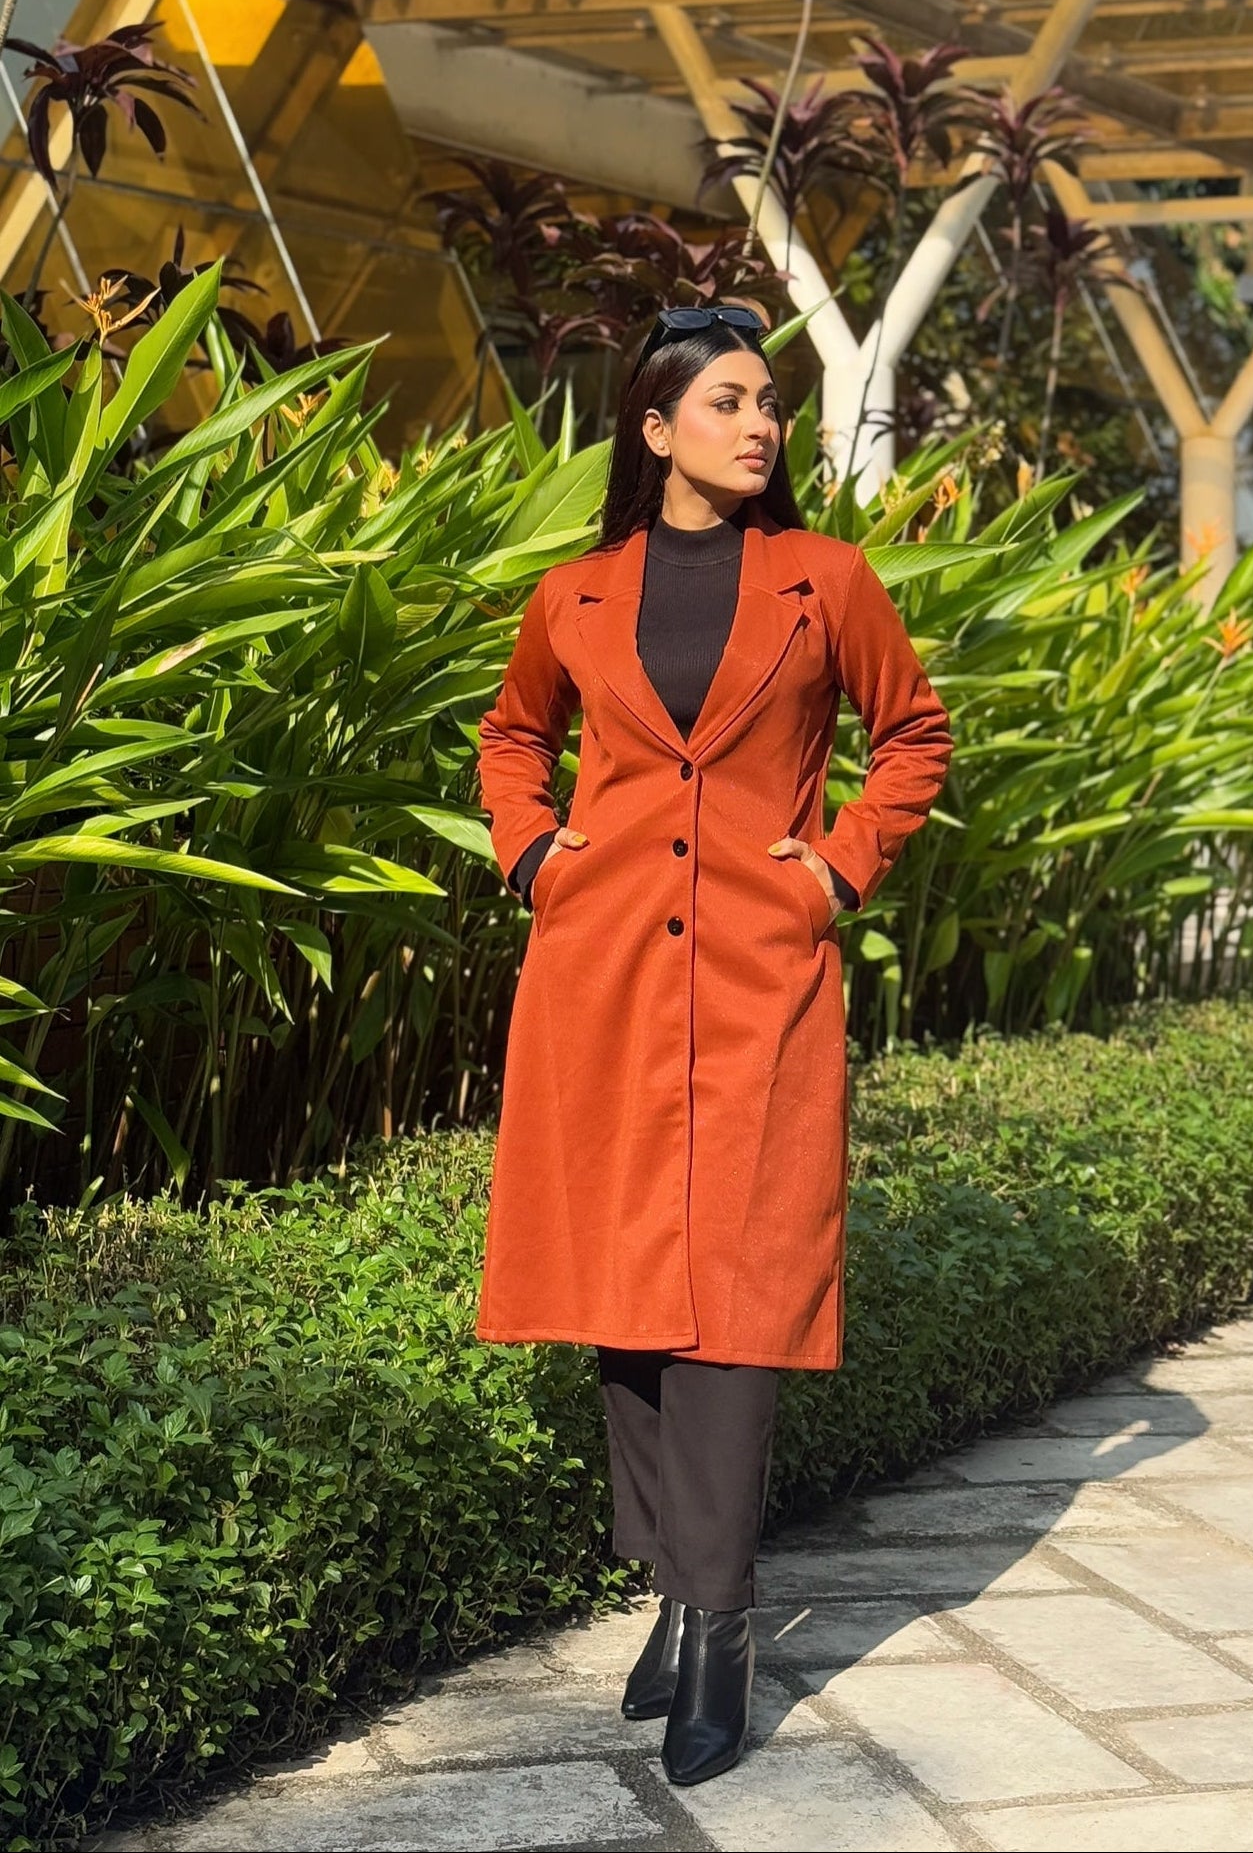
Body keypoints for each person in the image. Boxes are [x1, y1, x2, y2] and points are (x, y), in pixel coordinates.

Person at [475, 302, 952, 1787]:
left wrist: (834, 867)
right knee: (626, 1287)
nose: (762, 426)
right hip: (600, 970)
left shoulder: (824, 581)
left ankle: (721, 1621)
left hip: (760, 973)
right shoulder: (574, 594)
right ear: (655, 423)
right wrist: (536, 856)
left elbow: (914, 734)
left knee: (736, 1292)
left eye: (771, 405)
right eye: (733, 401)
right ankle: (671, 1594)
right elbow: (510, 741)